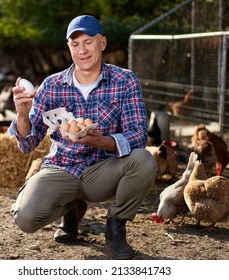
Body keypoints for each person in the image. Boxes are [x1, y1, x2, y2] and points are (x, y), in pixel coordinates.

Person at [8, 15, 157, 260]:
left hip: (103, 170)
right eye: (75, 44)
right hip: (62, 166)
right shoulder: (51, 85)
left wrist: (102, 141)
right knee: (25, 218)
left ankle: (116, 226)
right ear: (69, 47)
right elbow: (28, 144)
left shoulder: (125, 81)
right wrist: (22, 115)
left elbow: (138, 136)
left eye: (88, 42)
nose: (82, 50)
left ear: (103, 43)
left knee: (144, 160)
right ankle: (72, 207)